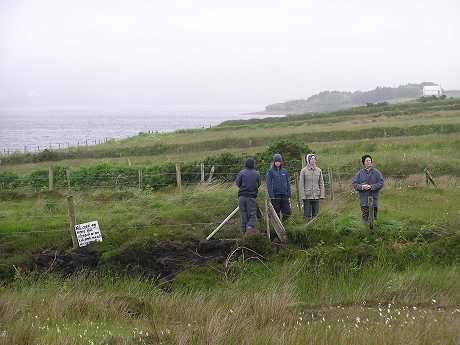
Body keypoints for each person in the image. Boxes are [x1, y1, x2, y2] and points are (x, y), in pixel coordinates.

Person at [352, 154, 384, 224]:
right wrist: (362, 187)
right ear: (363, 163)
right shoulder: (359, 173)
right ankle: (365, 230)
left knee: (374, 217)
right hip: (364, 199)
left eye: (370, 160)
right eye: (367, 161)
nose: (369, 162)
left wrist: (372, 187)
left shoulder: (377, 172)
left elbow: (381, 183)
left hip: (374, 198)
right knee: (365, 217)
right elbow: (354, 184)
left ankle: (373, 230)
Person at [235, 157, 261, 235]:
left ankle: (244, 234)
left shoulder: (241, 172)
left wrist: (243, 188)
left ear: (245, 164)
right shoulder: (256, 173)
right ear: (253, 164)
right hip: (251, 197)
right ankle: (249, 229)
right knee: (252, 215)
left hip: (241, 197)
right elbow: (259, 184)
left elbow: (237, 183)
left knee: (243, 215)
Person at [299, 154, 325, 221]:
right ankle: (307, 227)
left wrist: (322, 194)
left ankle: (315, 227)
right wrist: (303, 196)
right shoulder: (303, 171)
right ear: (308, 160)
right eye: (311, 159)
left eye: (314, 159)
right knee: (307, 215)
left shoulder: (319, 170)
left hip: (316, 195)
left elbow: (321, 183)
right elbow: (301, 184)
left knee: (316, 215)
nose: (313, 160)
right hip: (307, 196)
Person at [266, 153, 292, 222]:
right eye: (276, 161)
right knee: (276, 213)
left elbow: (288, 183)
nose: (278, 163)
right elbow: (269, 185)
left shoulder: (285, 171)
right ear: (274, 162)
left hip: (284, 195)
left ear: (281, 162)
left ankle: (284, 224)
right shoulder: (270, 172)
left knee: (287, 212)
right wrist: (271, 196)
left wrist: (289, 193)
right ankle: (277, 228)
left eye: (279, 161)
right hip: (275, 196)